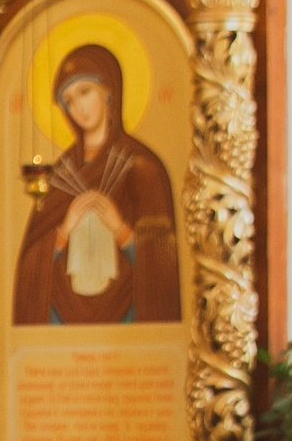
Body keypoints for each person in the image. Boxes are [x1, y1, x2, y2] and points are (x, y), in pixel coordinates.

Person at [11, 41, 181, 324]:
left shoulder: (142, 166)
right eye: (69, 101)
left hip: (128, 318)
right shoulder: (62, 173)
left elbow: (165, 270)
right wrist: (63, 231)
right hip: (62, 314)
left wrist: (121, 230)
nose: (78, 108)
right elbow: (29, 268)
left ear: (109, 90)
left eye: (85, 92)